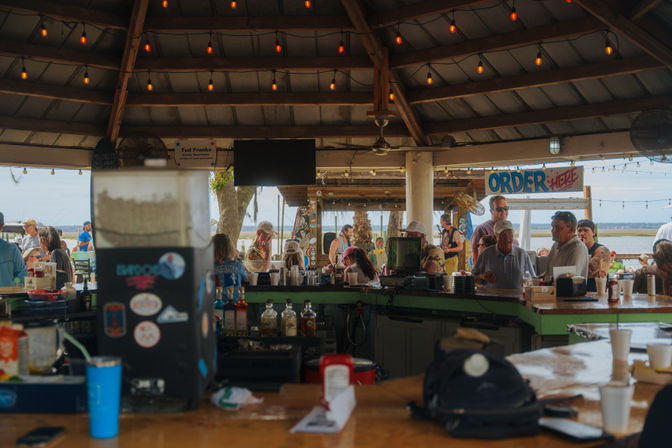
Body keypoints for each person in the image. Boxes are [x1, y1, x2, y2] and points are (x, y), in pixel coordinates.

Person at [472, 220, 535, 290]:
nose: (507, 238)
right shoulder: (485, 254)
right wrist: (482, 276)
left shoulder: (522, 254)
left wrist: (527, 283)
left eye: (510, 234)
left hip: (517, 299)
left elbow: (533, 279)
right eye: (503, 234)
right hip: (492, 299)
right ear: (495, 237)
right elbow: (473, 278)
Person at [544, 211, 589, 284]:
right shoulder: (555, 246)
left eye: (558, 228)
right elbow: (548, 274)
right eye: (553, 226)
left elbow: (572, 279)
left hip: (569, 294)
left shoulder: (578, 248)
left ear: (571, 230)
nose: (553, 230)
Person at [470, 195, 518, 262]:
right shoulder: (482, 229)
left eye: (506, 208)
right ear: (491, 211)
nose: (503, 212)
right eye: (499, 209)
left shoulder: (509, 229)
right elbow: (475, 259)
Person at [214, 233, 248, 301]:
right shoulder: (238, 265)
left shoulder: (209, 266)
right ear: (232, 249)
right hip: (235, 305)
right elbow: (246, 278)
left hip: (216, 306)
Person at [0, 212, 27, 287]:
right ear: (2, 227)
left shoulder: (12, 250)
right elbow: (21, 276)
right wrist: (12, 281)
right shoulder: (12, 250)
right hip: (7, 297)